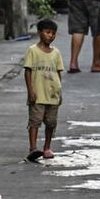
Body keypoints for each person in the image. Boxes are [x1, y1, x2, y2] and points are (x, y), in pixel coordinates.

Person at [22, 19, 64, 161]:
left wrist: (60, 92)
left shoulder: (56, 53)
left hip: (52, 94)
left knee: (51, 122)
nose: (50, 36)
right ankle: (33, 148)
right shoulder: (33, 51)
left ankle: (47, 147)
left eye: (53, 33)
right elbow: (27, 71)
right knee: (35, 121)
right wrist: (30, 91)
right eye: (47, 32)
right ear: (40, 33)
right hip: (38, 94)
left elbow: (58, 74)